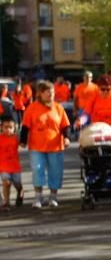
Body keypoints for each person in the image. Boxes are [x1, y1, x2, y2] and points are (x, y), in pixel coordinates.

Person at [19, 80, 71, 209]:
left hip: (55, 146)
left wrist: (67, 138)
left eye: (52, 92)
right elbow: (25, 126)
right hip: (37, 146)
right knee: (37, 170)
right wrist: (23, 140)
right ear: (40, 94)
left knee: (55, 171)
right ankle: (38, 196)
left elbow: (65, 125)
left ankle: (53, 196)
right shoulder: (32, 108)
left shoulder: (58, 107)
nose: (51, 95)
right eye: (48, 92)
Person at [0, 114, 24, 209]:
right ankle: (7, 202)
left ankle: (20, 191)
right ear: (1, 127)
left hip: (15, 167)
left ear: (14, 128)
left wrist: (23, 142)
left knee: (17, 183)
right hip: (3, 166)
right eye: (5, 127)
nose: (8, 130)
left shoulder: (15, 138)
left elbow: (23, 144)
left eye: (10, 127)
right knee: (6, 182)